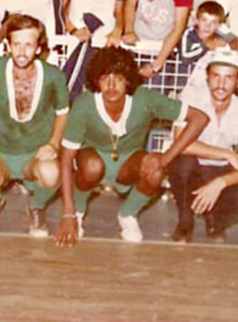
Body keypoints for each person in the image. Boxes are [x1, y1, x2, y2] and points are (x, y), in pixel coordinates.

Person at [55, 47, 210, 246]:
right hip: (93, 161)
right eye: (104, 78)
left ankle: (128, 215)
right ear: (96, 80)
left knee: (155, 171)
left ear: (128, 79)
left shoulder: (144, 98)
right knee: (92, 166)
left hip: (128, 162)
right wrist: (68, 214)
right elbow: (66, 160)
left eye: (118, 78)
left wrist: (165, 158)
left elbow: (199, 118)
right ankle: (79, 210)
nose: (111, 85)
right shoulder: (85, 104)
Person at [0, 13, 68, 237]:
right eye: (17, 44)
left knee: (51, 174)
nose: (22, 51)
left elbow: (62, 113)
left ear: (39, 48)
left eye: (28, 44)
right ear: (8, 46)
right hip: (0, 151)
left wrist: (53, 145)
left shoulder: (53, 76)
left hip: (35, 152)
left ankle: (36, 207)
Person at [169, 48, 238, 243]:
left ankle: (215, 222)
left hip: (219, 172)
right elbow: (181, 144)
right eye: (216, 76)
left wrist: (220, 183)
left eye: (228, 78)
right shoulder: (191, 98)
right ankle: (185, 222)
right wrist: (228, 154)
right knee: (182, 163)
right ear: (207, 77)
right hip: (192, 168)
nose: (221, 84)